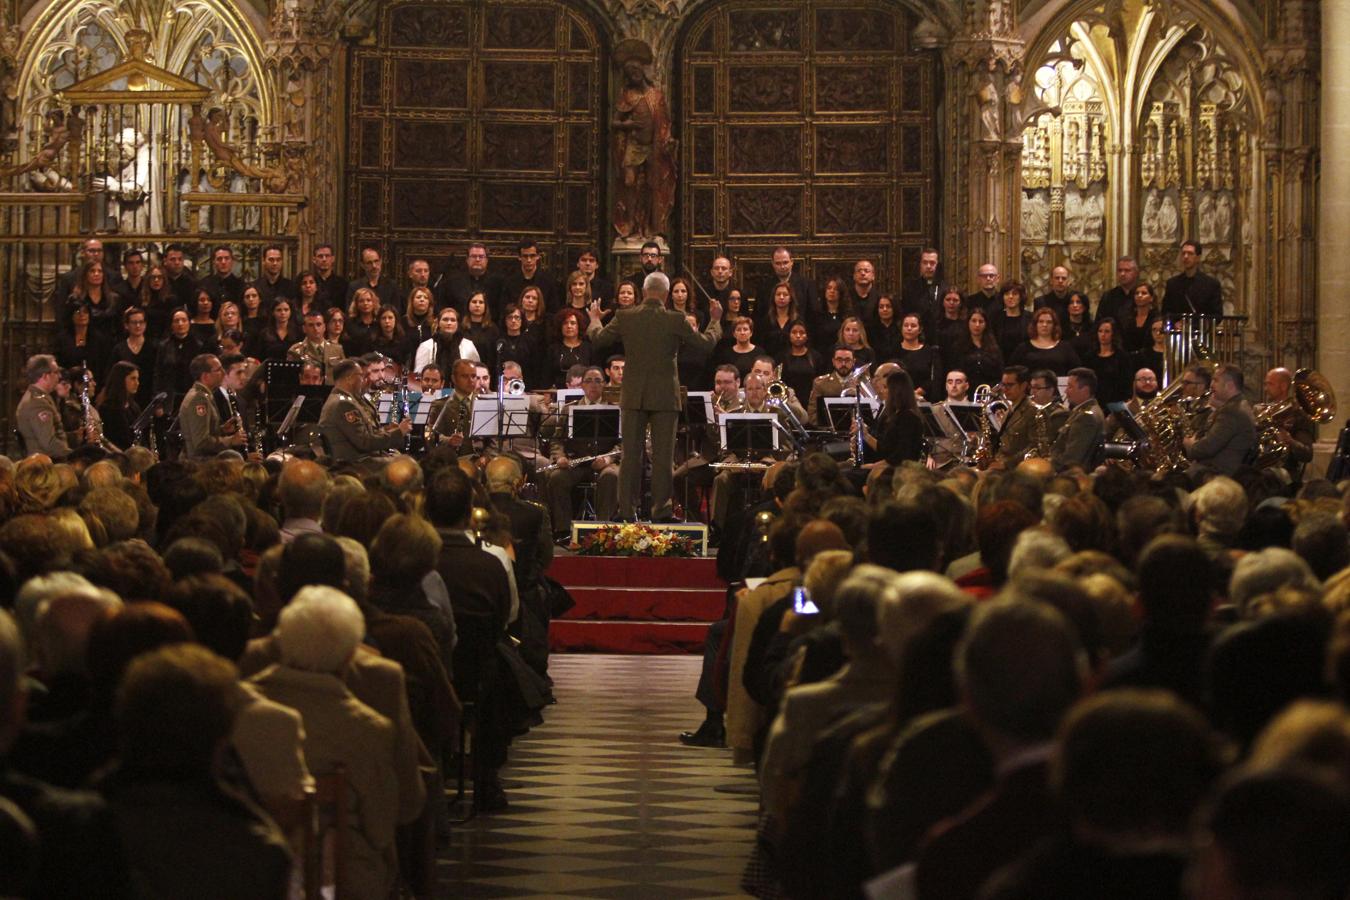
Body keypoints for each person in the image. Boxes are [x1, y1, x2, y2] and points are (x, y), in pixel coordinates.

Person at [586, 271, 722, 521]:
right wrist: (714, 321)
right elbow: (705, 344)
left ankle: (627, 511)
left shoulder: (625, 316)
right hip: (665, 396)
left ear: (644, 291)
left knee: (629, 457)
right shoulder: (676, 319)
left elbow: (598, 338)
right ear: (667, 294)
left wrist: (594, 319)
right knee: (663, 458)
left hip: (633, 395)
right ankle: (662, 511)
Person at [543, 365, 621, 538]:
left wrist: (608, 459)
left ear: (604, 385)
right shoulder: (569, 409)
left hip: (605, 463)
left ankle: (604, 530)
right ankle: (563, 530)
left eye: (598, 381)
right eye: (588, 381)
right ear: (582, 386)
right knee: (557, 478)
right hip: (577, 463)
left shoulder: (615, 409)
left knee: (611, 476)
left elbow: (623, 444)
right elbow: (557, 439)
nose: (593, 385)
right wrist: (560, 456)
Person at [318, 358, 411, 462]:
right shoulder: (343, 404)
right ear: (350, 378)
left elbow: (366, 434)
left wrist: (388, 430)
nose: (364, 380)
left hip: (361, 457)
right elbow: (364, 442)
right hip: (353, 462)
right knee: (405, 465)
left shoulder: (345, 399)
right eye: (361, 376)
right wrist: (399, 432)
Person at [1185, 363, 1257, 476]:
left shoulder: (1231, 412)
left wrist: (1188, 443)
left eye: (1216, 380)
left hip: (1215, 476)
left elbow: (1204, 449)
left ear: (1229, 385)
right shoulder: (1238, 405)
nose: (1211, 385)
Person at [178, 354, 246, 459]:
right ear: (205, 376)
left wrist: (222, 430)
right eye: (218, 370)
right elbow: (201, 442)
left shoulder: (204, 395)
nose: (223, 373)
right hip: (200, 466)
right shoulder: (199, 399)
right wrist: (230, 440)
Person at [1257, 366, 1316, 481]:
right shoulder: (1260, 410)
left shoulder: (1298, 414)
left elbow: (1307, 454)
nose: (1265, 388)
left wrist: (1290, 441)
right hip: (1261, 470)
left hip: (1285, 475)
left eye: (1269, 384)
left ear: (1283, 386)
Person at [859, 368, 924, 466]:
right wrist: (865, 435)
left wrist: (873, 466)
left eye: (886, 387)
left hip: (896, 472)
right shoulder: (893, 414)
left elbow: (900, 457)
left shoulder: (909, 418)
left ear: (897, 391)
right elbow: (885, 449)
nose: (882, 390)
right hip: (883, 466)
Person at [15, 354, 72, 458]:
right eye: (56, 372)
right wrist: (73, 455)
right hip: (45, 464)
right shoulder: (37, 403)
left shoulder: (41, 397)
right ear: (45, 376)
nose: (59, 376)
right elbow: (49, 444)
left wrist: (75, 436)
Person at [1050, 367, 1105, 472]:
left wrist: (1047, 463)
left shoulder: (1086, 417)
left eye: (1070, 387)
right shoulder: (1084, 411)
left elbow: (1072, 459)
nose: (1065, 391)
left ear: (1085, 390)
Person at [1163, 239, 1223, 319]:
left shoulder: (1211, 284)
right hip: (1178, 329)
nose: (1186, 257)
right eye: (1183, 253)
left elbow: (1217, 315)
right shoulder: (1172, 284)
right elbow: (1165, 312)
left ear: (1198, 258)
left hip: (1201, 329)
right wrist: (1175, 323)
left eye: (1190, 253)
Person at [413, 306, 480, 375]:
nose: (449, 323)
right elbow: (418, 374)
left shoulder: (468, 345)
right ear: (438, 323)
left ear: (457, 324)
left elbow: (477, 371)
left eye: (453, 320)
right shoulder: (426, 346)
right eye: (445, 319)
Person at [439, 242, 501, 315]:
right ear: (467, 259)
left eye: (481, 256)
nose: (477, 259)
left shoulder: (498, 283)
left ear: (487, 260)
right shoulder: (452, 282)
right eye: (474, 256)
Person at [95, 361, 143, 451]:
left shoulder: (133, 406)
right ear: (121, 380)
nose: (137, 383)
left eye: (137, 379)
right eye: (133, 378)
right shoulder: (108, 408)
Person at [287, 309, 343, 384]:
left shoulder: (337, 349)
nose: (316, 328)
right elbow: (291, 379)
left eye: (318, 324)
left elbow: (343, 375)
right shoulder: (296, 351)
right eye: (311, 325)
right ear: (304, 328)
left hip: (332, 393)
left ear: (324, 327)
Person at [901, 247, 943, 321]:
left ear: (938, 265)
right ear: (920, 264)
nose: (928, 266)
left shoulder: (945, 288)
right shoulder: (910, 288)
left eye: (932, 263)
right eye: (925, 263)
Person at [1097, 255, 1141, 325]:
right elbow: (1100, 322)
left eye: (1127, 270)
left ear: (1136, 273)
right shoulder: (1109, 296)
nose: (1122, 274)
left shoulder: (1142, 295)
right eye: (1120, 270)